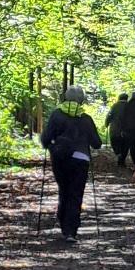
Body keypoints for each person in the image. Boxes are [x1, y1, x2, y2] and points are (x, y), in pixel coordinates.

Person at [40, 87, 102, 244]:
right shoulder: (86, 118)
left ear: (65, 98)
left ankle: (63, 222)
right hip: (81, 159)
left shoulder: (56, 115)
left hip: (60, 158)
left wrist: (52, 145)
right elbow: (97, 143)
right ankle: (71, 231)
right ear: (81, 100)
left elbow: (46, 139)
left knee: (64, 190)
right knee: (76, 194)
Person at [104, 93, 129, 164]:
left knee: (115, 143)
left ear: (119, 98)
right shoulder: (130, 106)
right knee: (125, 145)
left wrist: (106, 123)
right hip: (127, 130)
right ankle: (122, 158)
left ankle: (118, 154)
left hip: (115, 129)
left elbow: (109, 115)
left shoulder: (115, 106)